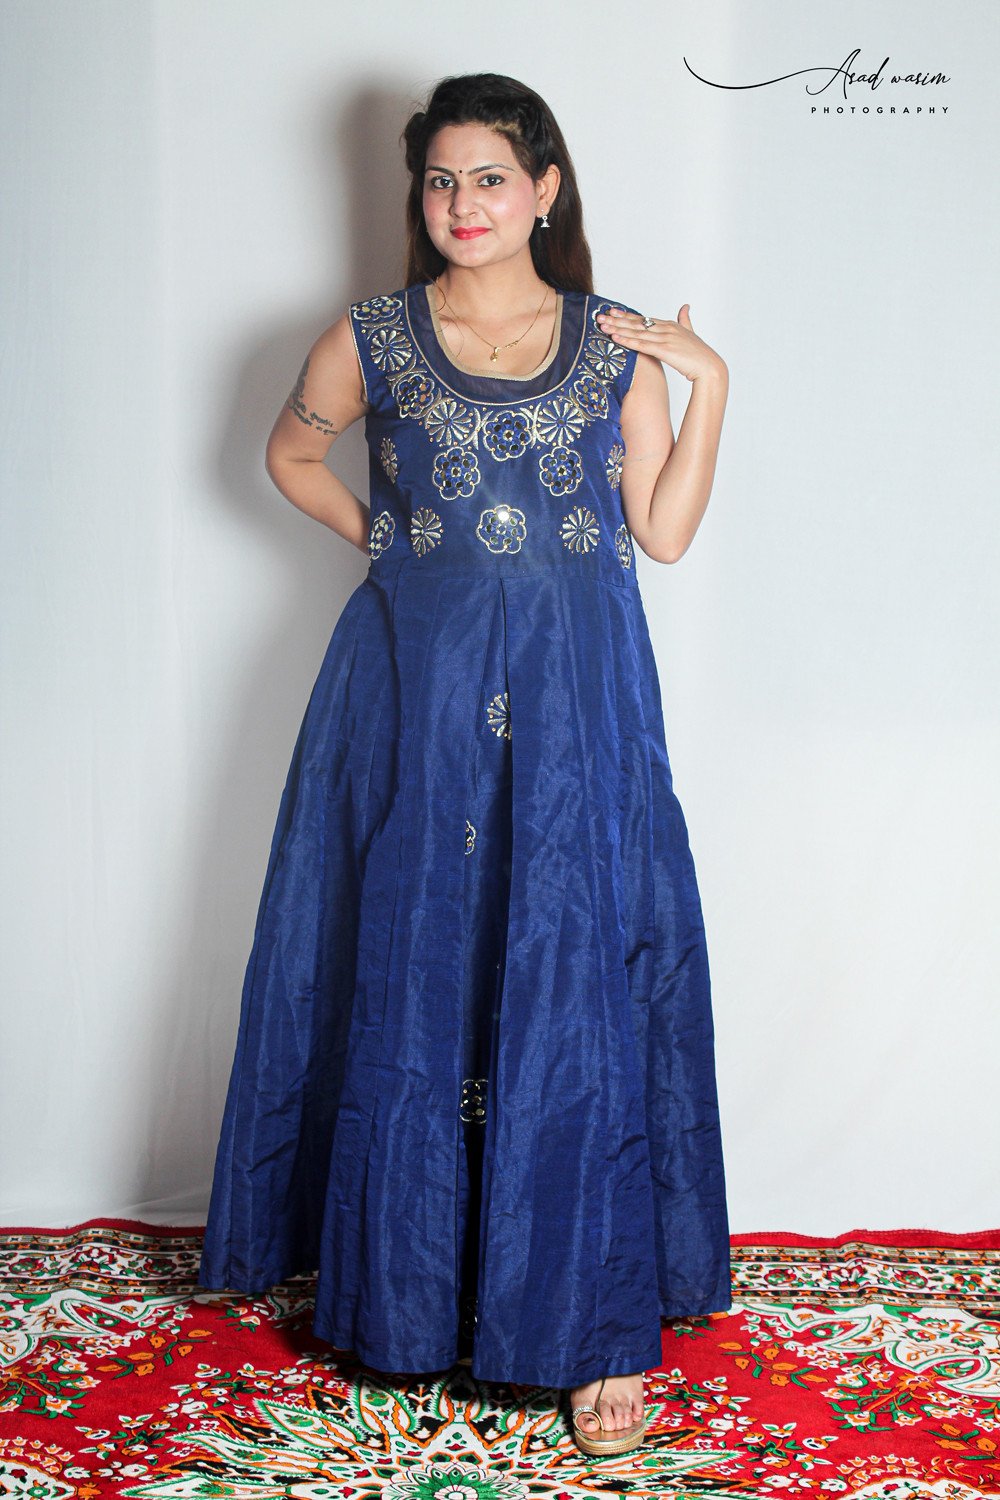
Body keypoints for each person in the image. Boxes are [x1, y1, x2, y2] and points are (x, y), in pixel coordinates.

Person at [198, 70, 731, 1458]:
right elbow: (288, 454)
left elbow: (664, 533)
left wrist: (711, 383)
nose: (462, 204)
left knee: (575, 974)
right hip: (416, 696)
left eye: (490, 177)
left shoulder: (614, 345)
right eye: (440, 180)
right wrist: (388, 543)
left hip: (580, 707)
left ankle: (594, 1332)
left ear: (544, 189)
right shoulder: (371, 337)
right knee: (420, 956)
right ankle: (412, 1296)